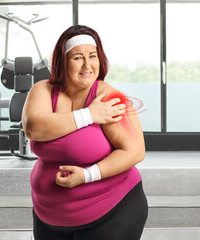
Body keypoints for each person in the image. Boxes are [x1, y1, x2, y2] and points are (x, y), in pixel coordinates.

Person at [22, 25, 148, 240]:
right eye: (78, 57)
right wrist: (89, 115)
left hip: (112, 212)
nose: (87, 65)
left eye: (93, 56)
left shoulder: (109, 99)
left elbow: (134, 152)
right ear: (63, 62)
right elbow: (34, 127)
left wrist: (87, 176)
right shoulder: (43, 90)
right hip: (48, 218)